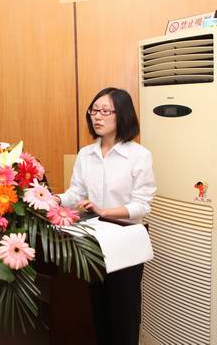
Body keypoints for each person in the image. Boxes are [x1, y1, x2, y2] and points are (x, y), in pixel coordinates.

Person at [55, 87, 156, 345]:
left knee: (124, 315)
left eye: (105, 111)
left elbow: (142, 206)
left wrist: (104, 211)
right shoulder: (86, 154)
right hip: (95, 242)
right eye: (94, 110)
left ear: (122, 115)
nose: (97, 116)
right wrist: (55, 199)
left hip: (126, 243)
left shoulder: (139, 155)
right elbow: (76, 193)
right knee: (99, 311)